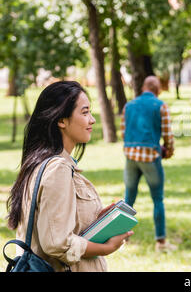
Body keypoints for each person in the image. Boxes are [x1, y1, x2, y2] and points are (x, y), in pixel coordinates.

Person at [6, 81, 133, 272]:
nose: (92, 120)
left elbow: (55, 224)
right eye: (84, 112)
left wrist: (95, 221)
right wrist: (106, 248)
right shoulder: (57, 168)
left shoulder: (39, 163)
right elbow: (57, 243)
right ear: (61, 120)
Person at [121, 75, 176, 252]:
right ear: (157, 89)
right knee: (157, 199)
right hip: (151, 156)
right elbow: (167, 133)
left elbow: (123, 132)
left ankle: (122, 238)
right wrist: (168, 149)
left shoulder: (128, 106)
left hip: (130, 156)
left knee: (129, 198)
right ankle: (160, 242)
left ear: (143, 87)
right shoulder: (160, 105)